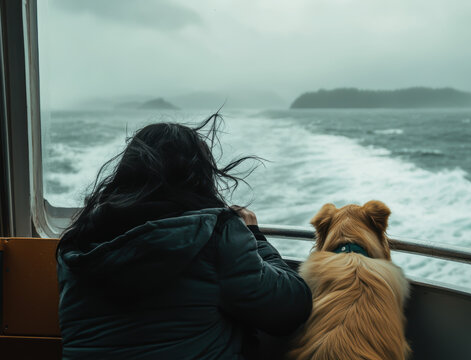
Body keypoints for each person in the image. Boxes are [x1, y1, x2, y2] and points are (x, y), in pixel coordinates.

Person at [56, 114, 312, 360]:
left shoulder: (78, 243)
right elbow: (290, 310)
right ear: (200, 177)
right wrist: (255, 236)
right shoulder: (216, 235)